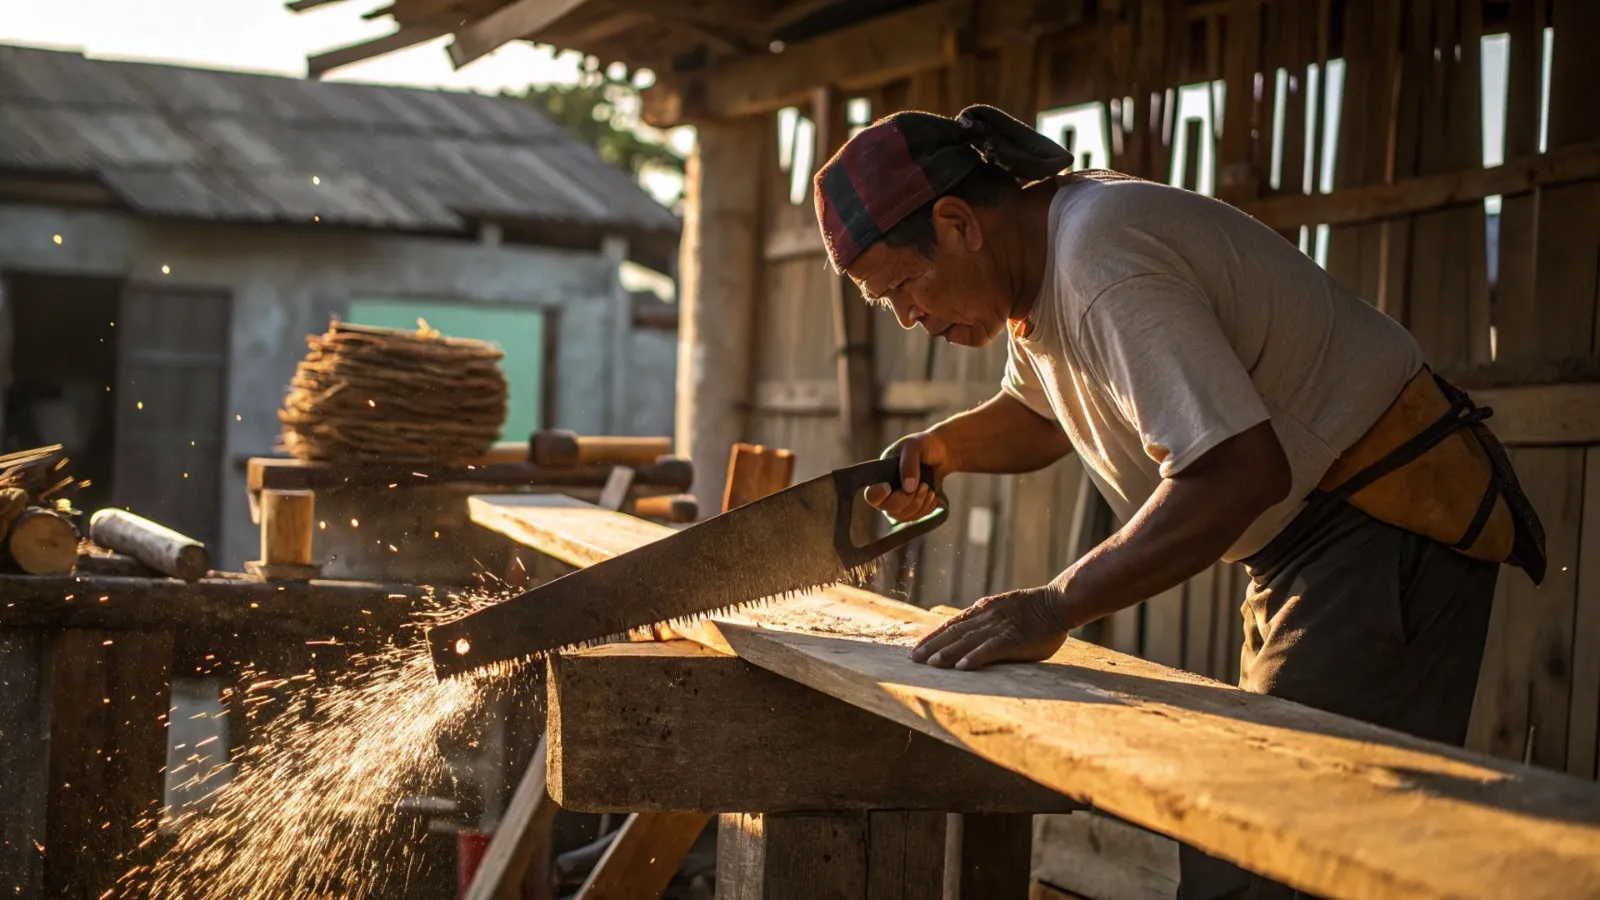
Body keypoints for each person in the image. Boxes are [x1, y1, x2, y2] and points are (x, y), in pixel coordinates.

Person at [811, 105, 1546, 899]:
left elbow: (1237, 472)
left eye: (904, 289)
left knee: (1267, 864)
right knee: (1271, 855)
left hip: (1376, 532)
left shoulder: (1102, 262)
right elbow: (1041, 413)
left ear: (956, 224)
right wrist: (943, 450)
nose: (910, 318)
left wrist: (1053, 607)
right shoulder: (1044, 272)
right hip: (1310, 548)